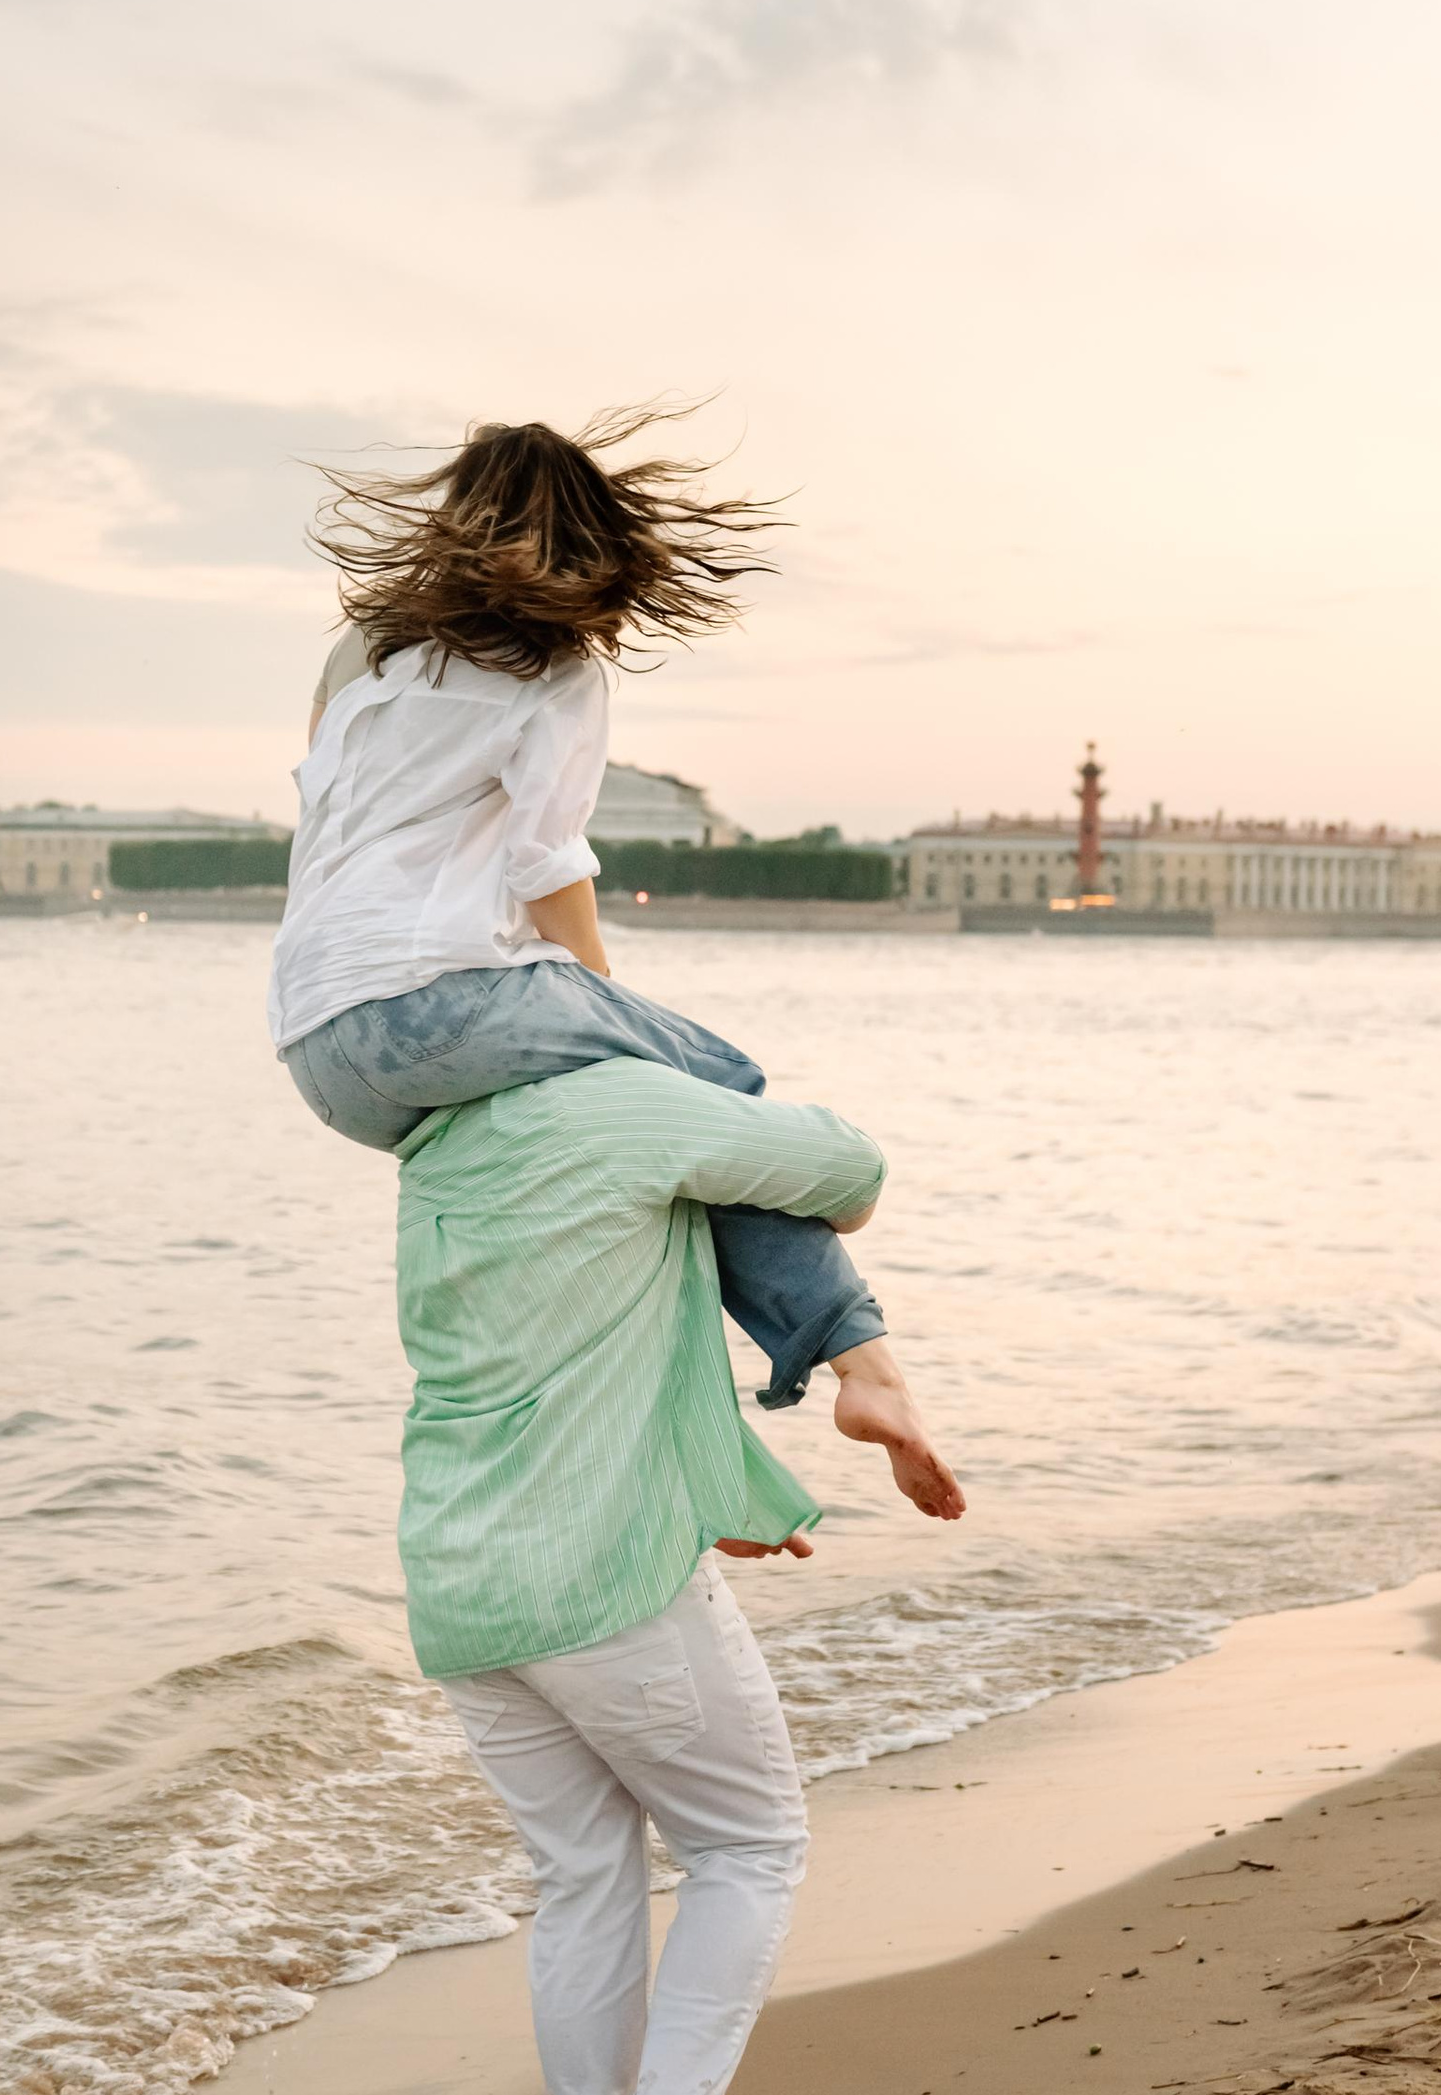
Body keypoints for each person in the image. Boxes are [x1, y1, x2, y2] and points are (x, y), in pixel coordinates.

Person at [269, 412, 954, 1511]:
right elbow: (549, 865)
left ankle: (697, 1455)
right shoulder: (560, 669)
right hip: (434, 1002)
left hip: (316, 1045)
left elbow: (324, 816)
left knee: (639, 1159)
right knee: (712, 1091)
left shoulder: (358, 651)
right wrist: (604, 1006)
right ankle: (859, 1358)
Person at [392, 1050, 964, 2095]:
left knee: (584, 1885)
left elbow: (587, 1353)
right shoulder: (612, 1098)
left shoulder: (430, 1143)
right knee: (749, 1845)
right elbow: (847, 1165)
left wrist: (722, 1489)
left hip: (460, 1585)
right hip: (602, 1580)